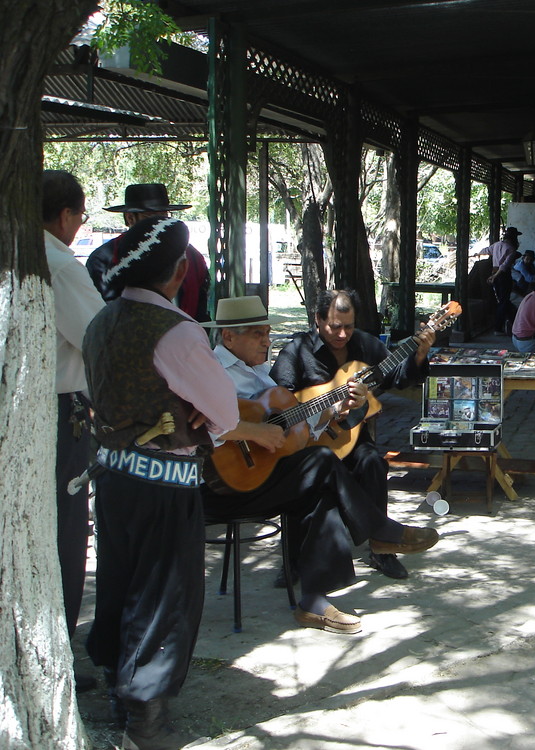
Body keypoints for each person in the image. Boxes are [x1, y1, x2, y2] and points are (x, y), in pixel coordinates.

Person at [83, 216, 241, 749]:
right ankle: (146, 720)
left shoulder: (102, 320)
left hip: (113, 477)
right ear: (178, 271)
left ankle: (114, 691)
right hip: (164, 481)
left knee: (119, 584)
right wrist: (203, 412)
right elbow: (224, 410)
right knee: (163, 595)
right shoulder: (175, 330)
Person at [202, 296, 439, 633]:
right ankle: (380, 532)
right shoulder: (213, 374)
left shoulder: (256, 373)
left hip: (264, 474)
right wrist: (256, 431)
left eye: (267, 333)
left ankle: (313, 601)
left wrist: (333, 413)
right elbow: (199, 428)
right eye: (258, 334)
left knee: (323, 485)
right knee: (321, 462)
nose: (268, 341)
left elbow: (292, 422)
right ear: (228, 338)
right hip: (225, 485)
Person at [270, 289, 436, 580]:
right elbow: (276, 401)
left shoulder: (365, 345)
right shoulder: (297, 351)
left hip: (350, 440)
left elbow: (397, 376)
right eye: (335, 326)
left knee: (373, 462)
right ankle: (293, 558)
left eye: (349, 326)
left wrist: (420, 353)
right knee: (301, 478)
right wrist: (329, 409)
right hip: (307, 444)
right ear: (318, 319)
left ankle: (382, 549)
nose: (343, 334)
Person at [42, 170, 105, 692]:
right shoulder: (61, 265)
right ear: (65, 215)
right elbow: (97, 339)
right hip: (61, 411)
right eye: (81, 216)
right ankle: (58, 646)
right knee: (66, 529)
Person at [86, 183, 210, 322]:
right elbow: (101, 314)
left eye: (163, 216)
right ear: (130, 218)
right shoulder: (104, 259)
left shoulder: (192, 257)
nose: (158, 225)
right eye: (150, 217)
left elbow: (201, 309)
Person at [482, 226, 522, 334]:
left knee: (502, 300)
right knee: (503, 301)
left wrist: (476, 254)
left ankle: (513, 321)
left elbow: (485, 250)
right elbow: (504, 266)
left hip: (494, 273)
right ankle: (498, 327)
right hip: (503, 275)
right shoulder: (511, 249)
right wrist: (495, 276)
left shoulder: (496, 244)